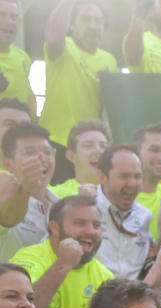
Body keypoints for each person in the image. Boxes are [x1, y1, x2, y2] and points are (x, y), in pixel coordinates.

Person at [11, 195, 112, 308]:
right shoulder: (29, 258)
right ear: (55, 228)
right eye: (80, 223)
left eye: (96, 225)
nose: (90, 231)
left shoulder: (104, 277)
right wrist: (64, 263)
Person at [39, 0, 117, 160]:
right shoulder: (63, 46)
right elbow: (53, 40)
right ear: (71, 25)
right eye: (86, 19)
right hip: (55, 142)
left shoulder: (110, 60)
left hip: (90, 148)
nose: (93, 25)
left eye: (98, 21)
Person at [94, 145, 155, 280]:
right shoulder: (84, 208)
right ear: (102, 177)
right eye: (124, 176)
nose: (132, 183)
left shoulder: (144, 215)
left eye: (137, 176)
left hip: (131, 296)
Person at [0, 123, 58, 262]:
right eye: (30, 153)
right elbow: (7, 219)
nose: (41, 158)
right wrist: (26, 190)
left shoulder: (61, 203)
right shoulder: (4, 195)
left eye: (48, 152)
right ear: (8, 164)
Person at [48, 119, 110, 199]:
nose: (98, 151)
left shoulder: (123, 193)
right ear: (72, 156)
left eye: (103, 146)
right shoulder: (53, 195)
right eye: (88, 145)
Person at [0, 0, 35, 115]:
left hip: (18, 131)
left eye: (14, 17)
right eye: (2, 15)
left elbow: (28, 98)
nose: (9, 21)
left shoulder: (23, 58)